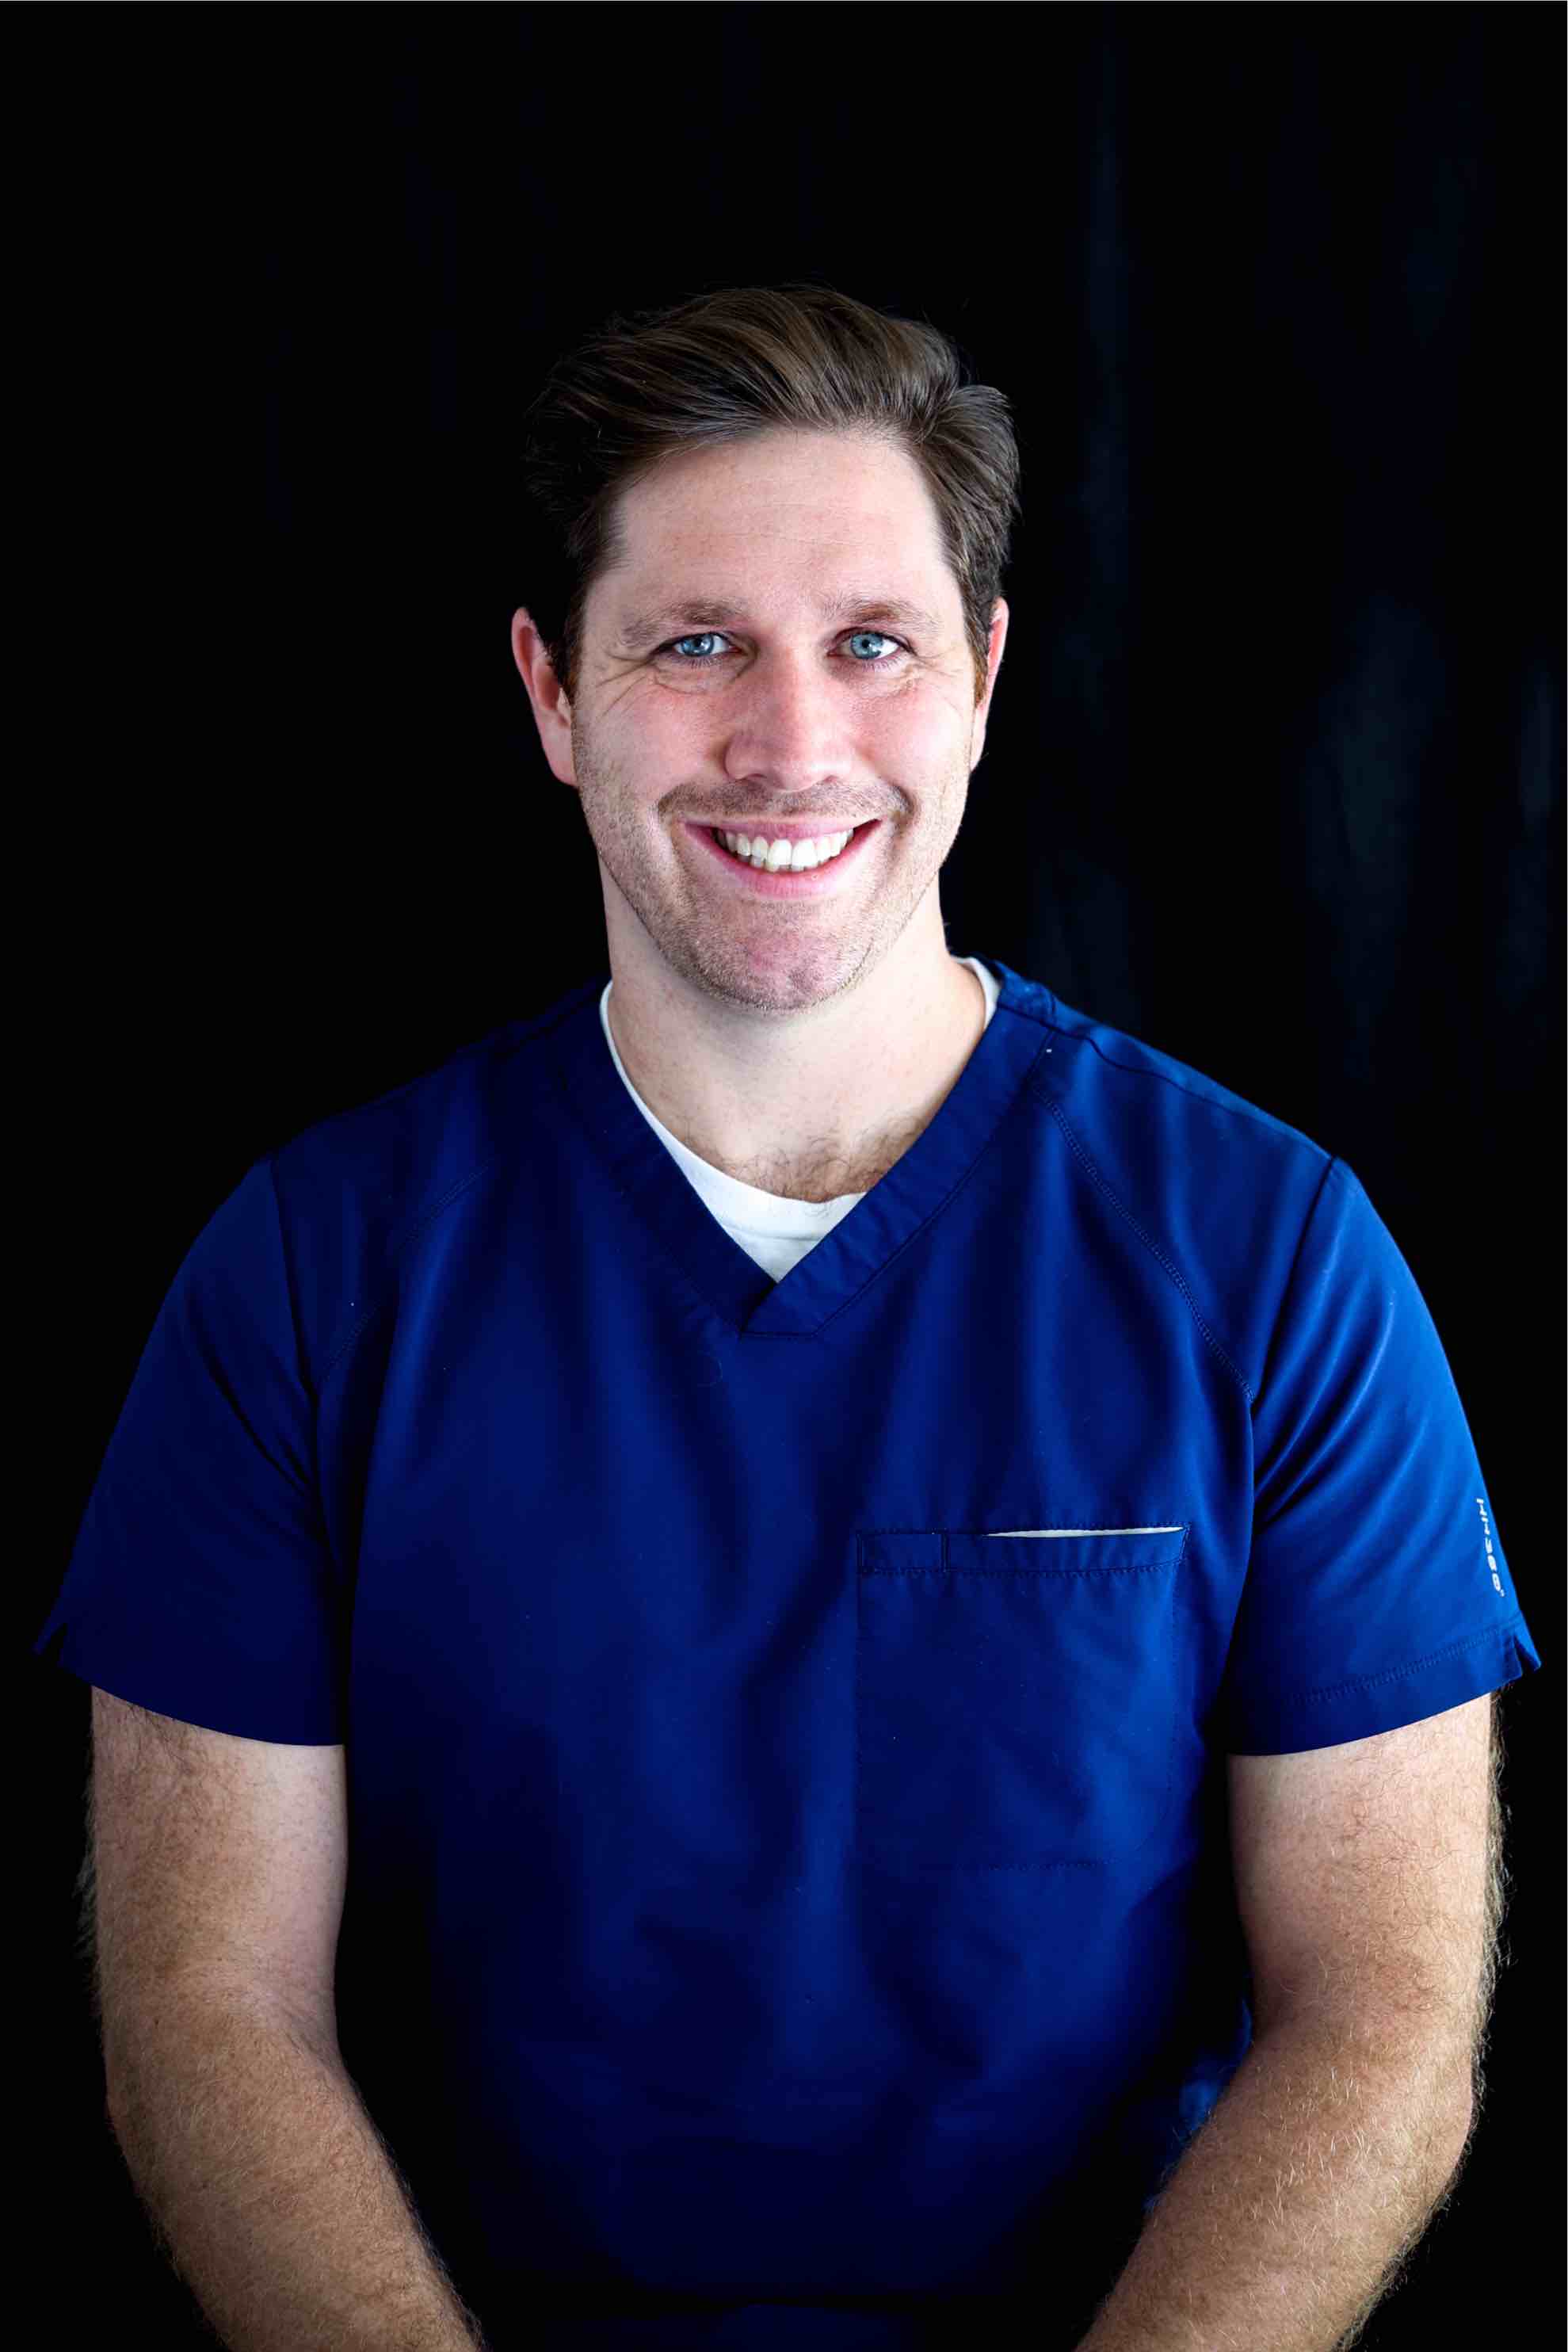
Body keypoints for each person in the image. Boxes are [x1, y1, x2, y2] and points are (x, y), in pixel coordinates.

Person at [33, 284, 1541, 2352]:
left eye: (870, 645)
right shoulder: (308, 1275)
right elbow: (206, 2012)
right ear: (553, 693)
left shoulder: (1273, 1257)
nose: (793, 743)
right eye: (694, 645)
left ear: (982, 678)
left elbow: (1378, 2011)